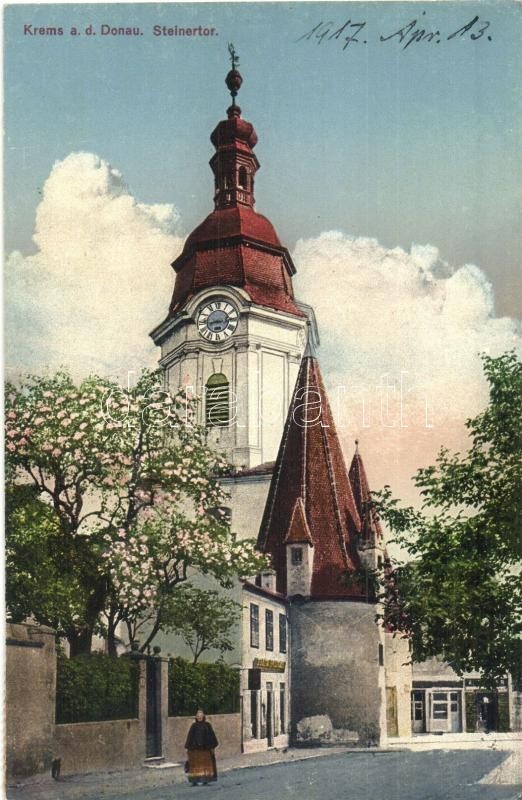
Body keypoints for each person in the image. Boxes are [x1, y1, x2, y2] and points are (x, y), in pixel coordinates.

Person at [184, 709, 219, 786]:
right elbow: (190, 737)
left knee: (205, 765)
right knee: (195, 765)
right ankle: (194, 781)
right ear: (196, 717)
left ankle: (205, 780)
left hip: (205, 750)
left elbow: (211, 736)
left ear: (203, 716)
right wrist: (188, 748)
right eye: (198, 716)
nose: (199, 717)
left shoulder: (207, 725)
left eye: (201, 716)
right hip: (195, 750)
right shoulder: (193, 726)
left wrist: (212, 747)